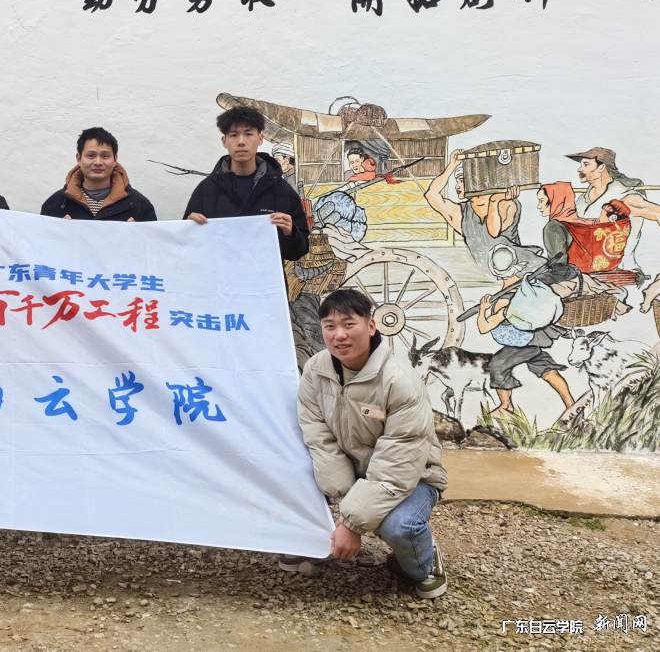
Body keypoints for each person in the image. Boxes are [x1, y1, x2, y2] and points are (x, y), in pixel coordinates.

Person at [289, 288, 448, 598]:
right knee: (288, 477)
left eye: (349, 324)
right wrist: (345, 503)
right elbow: (319, 438)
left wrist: (351, 522)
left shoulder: (399, 381)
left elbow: (397, 462)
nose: (339, 335)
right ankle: (311, 544)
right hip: (353, 469)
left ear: (371, 326)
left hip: (413, 475)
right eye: (330, 326)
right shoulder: (315, 370)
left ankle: (424, 563)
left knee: (398, 527)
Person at [183, 106, 309, 261]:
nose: (241, 142)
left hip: (266, 276)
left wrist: (291, 233)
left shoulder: (282, 190)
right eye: (234, 135)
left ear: (260, 139)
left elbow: (299, 252)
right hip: (219, 275)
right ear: (224, 141)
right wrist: (188, 228)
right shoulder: (206, 189)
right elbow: (186, 247)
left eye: (248, 134)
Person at [424, 151, 540, 286]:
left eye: (462, 180)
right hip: (499, 277)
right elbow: (431, 195)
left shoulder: (506, 203)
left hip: (528, 271)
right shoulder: (461, 213)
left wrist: (494, 201)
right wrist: (451, 166)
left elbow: (493, 232)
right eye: (457, 181)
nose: (457, 186)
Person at [568, 148, 660, 280]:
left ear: (602, 167)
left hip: (621, 273)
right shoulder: (581, 200)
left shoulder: (625, 196)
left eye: (586, 164)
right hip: (583, 272)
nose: (579, 169)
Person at [40, 127, 157, 222]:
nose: (98, 162)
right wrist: (59, 234)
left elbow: (153, 243)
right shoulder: (56, 204)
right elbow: (42, 241)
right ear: (79, 159)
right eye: (91, 155)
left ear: (115, 160)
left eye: (105, 156)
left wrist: (137, 235)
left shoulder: (140, 205)